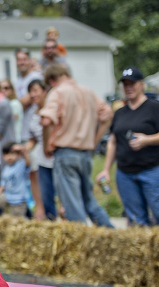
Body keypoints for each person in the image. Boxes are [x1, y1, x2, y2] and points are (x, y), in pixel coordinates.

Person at [39, 64, 113, 227]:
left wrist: (47, 145)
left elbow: (46, 121)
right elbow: (107, 115)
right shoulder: (88, 92)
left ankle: (82, 240)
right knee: (89, 200)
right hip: (86, 154)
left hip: (65, 153)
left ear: (52, 81)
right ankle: (110, 233)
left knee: (72, 205)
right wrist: (94, 140)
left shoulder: (57, 92)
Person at [95, 67, 159, 226]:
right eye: (125, 84)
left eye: (132, 83)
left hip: (151, 170)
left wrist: (147, 140)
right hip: (125, 173)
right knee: (136, 221)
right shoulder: (120, 113)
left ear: (141, 84)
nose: (128, 87)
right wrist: (105, 169)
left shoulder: (154, 108)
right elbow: (113, 141)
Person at [27, 79, 57, 220]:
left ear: (44, 91)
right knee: (39, 183)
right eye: (30, 91)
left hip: (53, 152)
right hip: (39, 154)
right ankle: (43, 210)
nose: (33, 95)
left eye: (35, 91)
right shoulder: (33, 112)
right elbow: (33, 138)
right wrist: (24, 149)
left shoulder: (51, 109)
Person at [14, 48, 43, 155]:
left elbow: (25, 102)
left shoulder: (36, 77)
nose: (21, 62)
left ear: (30, 61)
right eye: (19, 59)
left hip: (34, 133)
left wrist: (14, 106)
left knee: (34, 168)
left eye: (24, 59)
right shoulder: (17, 81)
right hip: (22, 131)